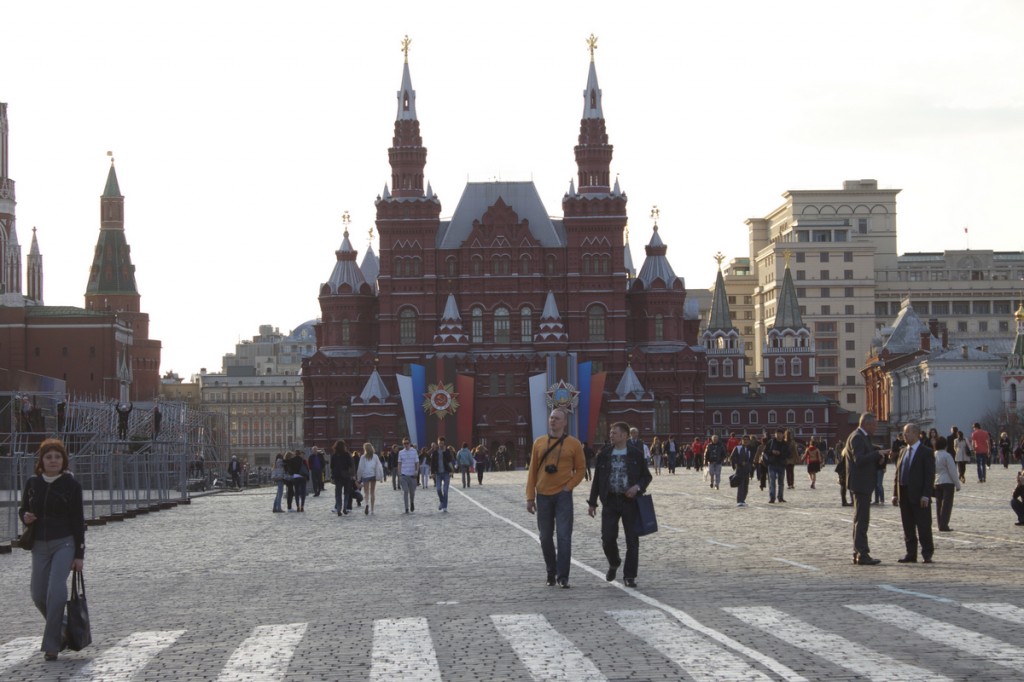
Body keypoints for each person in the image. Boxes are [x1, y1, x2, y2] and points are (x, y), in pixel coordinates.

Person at [19, 439, 86, 661]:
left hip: (64, 543)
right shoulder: (32, 483)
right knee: (38, 595)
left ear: (63, 460)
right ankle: (65, 627)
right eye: (49, 457)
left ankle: (52, 645)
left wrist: (79, 554)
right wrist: (25, 517)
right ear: (42, 461)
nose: (53, 461)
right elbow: (24, 510)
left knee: (56, 591)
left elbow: (78, 520)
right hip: (39, 544)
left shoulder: (71, 485)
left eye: (57, 457)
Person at [525, 407, 586, 588]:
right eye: (551, 418)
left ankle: (563, 576)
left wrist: (569, 486)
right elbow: (532, 471)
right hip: (543, 495)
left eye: (557, 418)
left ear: (565, 422)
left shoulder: (574, 444)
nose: (553, 421)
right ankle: (551, 571)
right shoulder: (539, 442)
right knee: (545, 537)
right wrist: (530, 497)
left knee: (564, 536)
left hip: (563, 496)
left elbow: (581, 469)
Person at [588, 421, 652, 588]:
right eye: (611, 433)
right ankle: (614, 562)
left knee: (632, 540)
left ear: (624, 435)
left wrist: (637, 487)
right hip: (609, 500)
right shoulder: (604, 454)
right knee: (607, 538)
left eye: (614, 433)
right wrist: (593, 502)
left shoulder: (636, 454)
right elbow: (597, 480)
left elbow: (646, 476)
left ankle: (629, 575)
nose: (611, 435)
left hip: (630, 502)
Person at [846, 412, 886, 565]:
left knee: (860, 519)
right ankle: (862, 553)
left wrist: (879, 455)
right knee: (862, 520)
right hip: (861, 483)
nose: (876, 428)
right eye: (874, 425)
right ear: (867, 424)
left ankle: (859, 552)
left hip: (863, 483)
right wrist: (876, 454)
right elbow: (859, 459)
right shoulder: (857, 437)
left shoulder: (862, 437)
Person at [892, 423, 935, 563]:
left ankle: (927, 553)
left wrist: (926, 495)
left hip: (919, 495)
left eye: (908, 432)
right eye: (904, 432)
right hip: (904, 493)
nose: (905, 435)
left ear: (916, 434)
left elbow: (929, 476)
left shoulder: (926, 451)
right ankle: (911, 553)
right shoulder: (903, 451)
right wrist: (895, 494)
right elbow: (897, 474)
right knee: (908, 526)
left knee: (923, 526)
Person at [933, 436, 960, 532]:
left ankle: (940, 523)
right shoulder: (947, 455)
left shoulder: (933, 455)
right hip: (947, 482)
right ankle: (944, 525)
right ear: (945, 445)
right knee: (946, 505)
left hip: (937, 481)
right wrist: (957, 484)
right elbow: (952, 471)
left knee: (938, 504)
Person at [356, 443, 384, 515]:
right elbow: (379, 466)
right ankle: (372, 510)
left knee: (366, 492)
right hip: (373, 475)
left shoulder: (363, 457)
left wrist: (359, 478)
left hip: (365, 476)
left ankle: (366, 504)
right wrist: (381, 477)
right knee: (372, 492)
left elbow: (360, 468)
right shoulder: (375, 456)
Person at [432, 438, 456, 511]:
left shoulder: (447, 451)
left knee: (445, 490)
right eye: (439, 443)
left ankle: (444, 506)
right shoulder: (435, 452)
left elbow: (449, 460)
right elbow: (432, 463)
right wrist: (432, 473)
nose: (441, 444)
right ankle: (442, 502)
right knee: (438, 489)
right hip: (438, 474)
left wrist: (452, 471)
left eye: (442, 443)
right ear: (438, 443)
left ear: (444, 443)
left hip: (446, 473)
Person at [764, 428, 788, 503]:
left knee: (781, 482)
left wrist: (780, 453)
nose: (778, 435)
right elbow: (765, 451)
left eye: (780, 434)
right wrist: (772, 451)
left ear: (782, 435)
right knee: (772, 481)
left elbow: (788, 453)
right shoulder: (770, 442)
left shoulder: (785, 444)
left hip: (781, 464)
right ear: (775, 434)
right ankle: (772, 498)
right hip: (772, 464)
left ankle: (780, 497)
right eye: (777, 434)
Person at [330, 441, 353, 516]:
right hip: (346, 476)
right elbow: (350, 465)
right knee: (346, 493)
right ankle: (345, 508)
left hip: (337, 476)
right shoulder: (347, 455)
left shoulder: (334, 455)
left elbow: (331, 466)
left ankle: (339, 509)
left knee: (338, 493)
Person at [730, 435, 753, 507]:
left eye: (747, 440)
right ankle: (739, 500)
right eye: (744, 439)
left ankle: (743, 499)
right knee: (741, 485)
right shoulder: (738, 448)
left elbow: (751, 460)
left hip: (747, 470)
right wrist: (739, 463)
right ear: (742, 440)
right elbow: (732, 458)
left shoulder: (750, 449)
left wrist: (751, 469)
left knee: (746, 486)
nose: (746, 441)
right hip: (739, 470)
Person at [397, 438, 419, 513]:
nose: (406, 445)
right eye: (404, 443)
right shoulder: (401, 452)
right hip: (404, 475)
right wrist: (399, 474)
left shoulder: (414, 451)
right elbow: (399, 463)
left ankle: (412, 502)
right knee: (405, 491)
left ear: (409, 443)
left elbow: (417, 462)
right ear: (403, 444)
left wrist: (417, 471)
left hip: (412, 475)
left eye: (407, 443)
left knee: (412, 492)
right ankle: (406, 508)